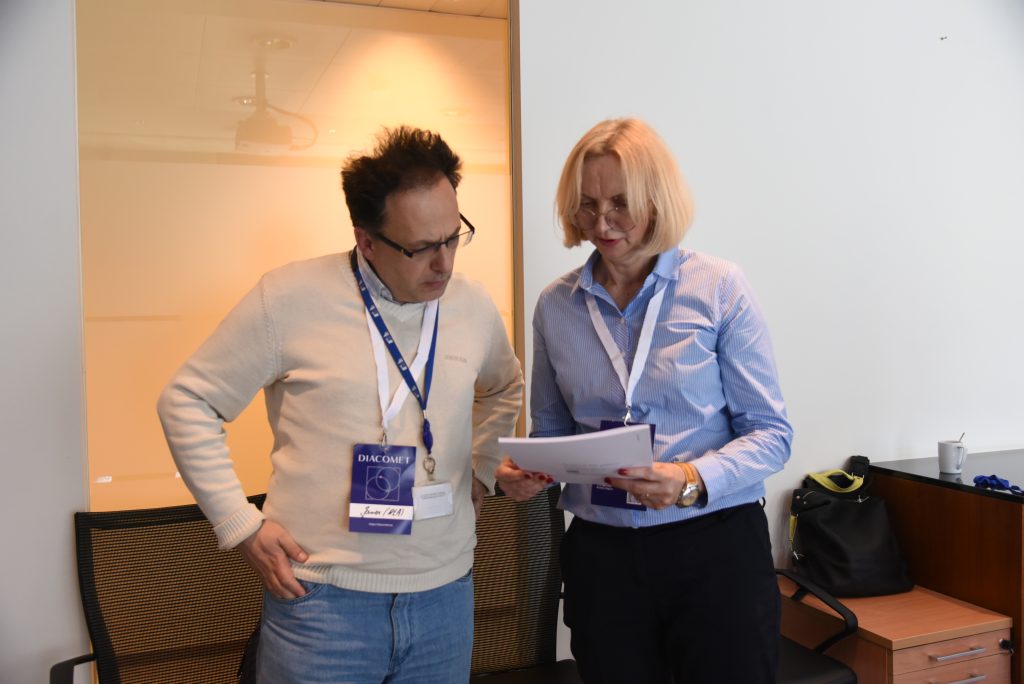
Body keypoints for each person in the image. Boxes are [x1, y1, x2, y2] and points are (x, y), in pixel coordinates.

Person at [157, 126, 523, 683]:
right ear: (367, 241)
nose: (444, 263)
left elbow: (504, 385)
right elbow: (187, 400)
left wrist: (482, 464)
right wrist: (240, 524)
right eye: (421, 248)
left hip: (445, 597)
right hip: (322, 604)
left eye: (453, 238)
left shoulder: (471, 305)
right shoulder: (290, 298)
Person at [496, 118, 792, 683]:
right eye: (587, 206)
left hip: (715, 546)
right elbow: (552, 432)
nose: (601, 223)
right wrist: (528, 472)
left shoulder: (719, 288)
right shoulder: (555, 306)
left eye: (620, 204)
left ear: (657, 201)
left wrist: (688, 479)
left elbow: (772, 434)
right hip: (603, 558)